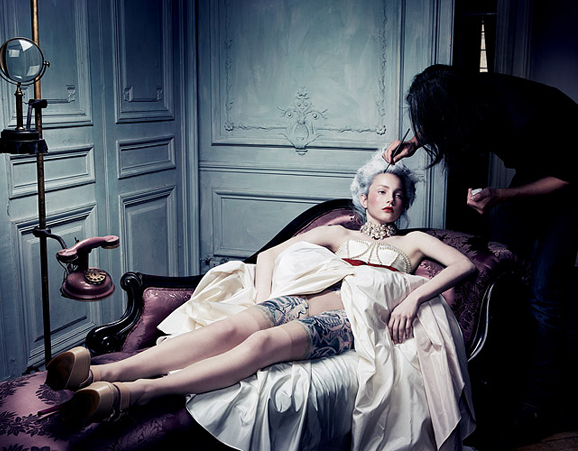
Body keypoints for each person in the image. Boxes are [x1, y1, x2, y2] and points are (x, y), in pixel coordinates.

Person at [45, 153, 476, 450]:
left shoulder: (413, 242)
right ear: (364, 198)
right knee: (231, 328)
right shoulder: (339, 233)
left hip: (348, 319)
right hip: (298, 300)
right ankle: (102, 372)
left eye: (398, 195)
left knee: (261, 346)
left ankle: (136, 392)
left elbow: (463, 265)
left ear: (405, 204)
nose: (390, 200)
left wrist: (413, 299)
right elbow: (269, 256)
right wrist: (267, 296)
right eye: (381, 191)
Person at [383, 64, 578, 441]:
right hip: (538, 166)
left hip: (571, 181)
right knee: (503, 263)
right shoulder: (468, 95)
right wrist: (415, 142)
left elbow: (569, 175)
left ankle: (538, 402)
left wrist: (503, 195)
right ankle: (505, 366)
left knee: (544, 288)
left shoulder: (524, 113)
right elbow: (443, 116)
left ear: (456, 109)